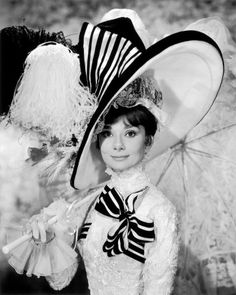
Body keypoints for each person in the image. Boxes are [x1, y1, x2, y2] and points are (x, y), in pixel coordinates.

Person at [2, 8, 226, 295]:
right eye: (107, 134)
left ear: (147, 141)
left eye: (130, 133)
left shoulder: (160, 212)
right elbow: (61, 280)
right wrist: (46, 240)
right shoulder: (80, 204)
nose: (117, 145)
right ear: (96, 140)